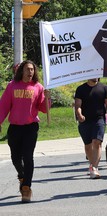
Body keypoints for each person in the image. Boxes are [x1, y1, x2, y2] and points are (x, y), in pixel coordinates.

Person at [0, 60, 51, 203]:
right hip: (15, 128)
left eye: (32, 69)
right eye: (28, 69)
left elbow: (43, 108)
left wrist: (48, 98)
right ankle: (22, 175)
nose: (30, 72)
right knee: (15, 157)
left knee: (28, 157)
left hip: (31, 127)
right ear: (22, 70)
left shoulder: (38, 87)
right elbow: (3, 105)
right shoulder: (12, 86)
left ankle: (26, 187)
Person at [74, 78, 107, 179]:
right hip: (84, 121)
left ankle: (95, 167)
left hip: (99, 120)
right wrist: (79, 114)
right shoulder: (80, 89)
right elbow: (78, 105)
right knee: (88, 145)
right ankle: (92, 164)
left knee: (97, 142)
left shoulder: (104, 88)